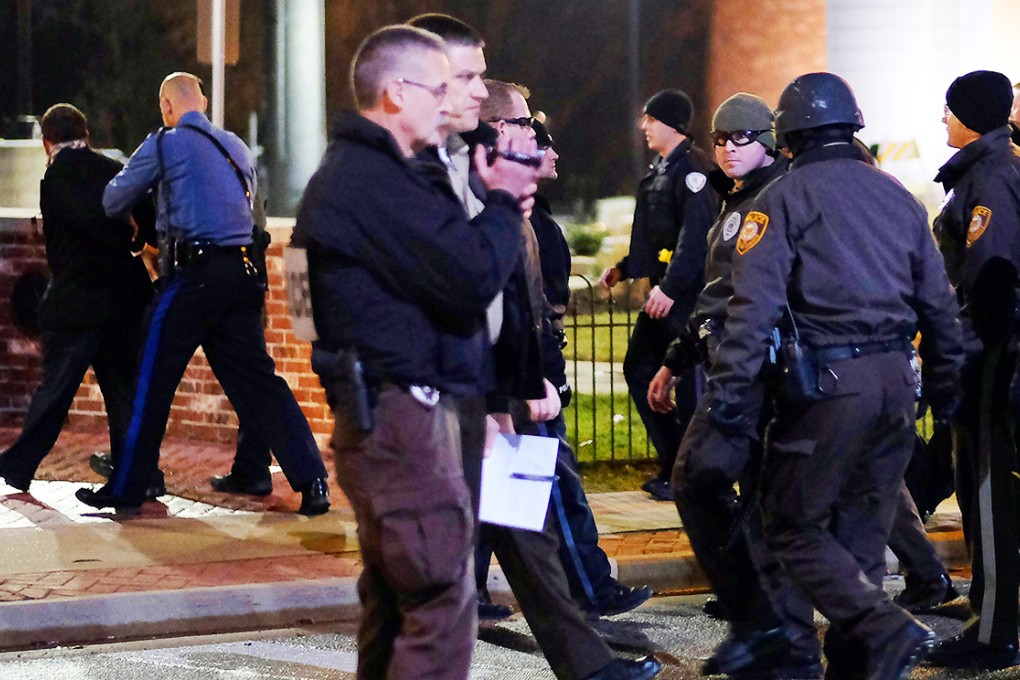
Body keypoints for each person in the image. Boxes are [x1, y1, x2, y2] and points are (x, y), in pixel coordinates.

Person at [407, 15, 659, 680]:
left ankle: (589, 666)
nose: (475, 88)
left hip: (495, 403)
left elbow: (508, 301)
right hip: (447, 408)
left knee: (529, 543)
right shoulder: (419, 177)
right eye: (465, 74)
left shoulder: (480, 175)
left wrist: (526, 384)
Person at [293, 24, 538, 679]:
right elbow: (466, 279)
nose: (464, 100)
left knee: (400, 602)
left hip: (398, 414)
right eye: (444, 87)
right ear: (398, 94)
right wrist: (507, 201)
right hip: (398, 420)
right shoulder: (371, 179)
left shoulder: (387, 171)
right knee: (436, 600)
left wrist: (489, 403)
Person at [705, 73, 965, 679]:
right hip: (898, 381)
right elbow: (940, 303)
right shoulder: (897, 194)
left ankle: (882, 630)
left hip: (827, 384)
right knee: (862, 538)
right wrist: (947, 383)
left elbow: (754, 307)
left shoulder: (783, 199)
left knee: (791, 523)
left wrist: (729, 394)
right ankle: (864, 664)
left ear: (786, 135)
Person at [75, 72, 329, 515]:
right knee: (259, 384)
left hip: (193, 277)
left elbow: (113, 200)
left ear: (167, 107)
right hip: (244, 275)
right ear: (204, 103)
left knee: (149, 378)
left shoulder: (164, 143)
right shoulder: (236, 146)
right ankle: (313, 481)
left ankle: (127, 487)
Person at [647, 93, 822, 677]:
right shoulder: (736, 200)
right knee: (739, 496)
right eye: (720, 139)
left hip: (758, 374)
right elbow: (715, 292)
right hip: (732, 365)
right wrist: (676, 358)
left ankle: (772, 626)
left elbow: (753, 295)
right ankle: (769, 629)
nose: (726, 148)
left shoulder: (774, 198)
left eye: (741, 138)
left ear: (769, 143)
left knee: (703, 481)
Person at [475, 82, 653, 619]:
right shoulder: (491, 208)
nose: (537, 138)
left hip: (515, 386)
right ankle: (586, 593)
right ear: (501, 131)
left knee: (517, 507)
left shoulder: (516, 210)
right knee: (547, 497)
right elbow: (508, 312)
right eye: (527, 125)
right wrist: (527, 385)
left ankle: (514, 599)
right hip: (512, 390)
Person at [0, 104, 157, 496]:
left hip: (76, 300)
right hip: (123, 296)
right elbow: (147, 213)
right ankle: (137, 474)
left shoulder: (53, 179)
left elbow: (66, 242)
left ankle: (19, 465)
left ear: (46, 141)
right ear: (85, 133)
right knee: (124, 392)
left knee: (55, 390)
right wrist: (136, 240)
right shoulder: (110, 169)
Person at [926, 69, 1020, 670]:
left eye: (949, 108)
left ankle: (994, 633)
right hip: (988, 351)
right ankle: (990, 607)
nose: (942, 118)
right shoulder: (988, 170)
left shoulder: (991, 176)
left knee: (985, 490)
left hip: (990, 355)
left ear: (973, 115)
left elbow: (992, 276)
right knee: (977, 485)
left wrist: (963, 348)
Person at [599, 90, 719, 501]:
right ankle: (673, 461)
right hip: (664, 293)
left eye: (650, 119)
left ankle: (689, 473)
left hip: (686, 297)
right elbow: (658, 234)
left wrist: (670, 287)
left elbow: (695, 239)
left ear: (671, 123)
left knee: (685, 384)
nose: (643, 126)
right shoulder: (663, 169)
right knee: (639, 368)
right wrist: (626, 267)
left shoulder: (695, 171)